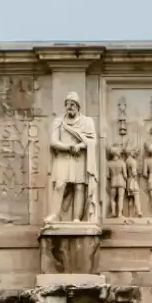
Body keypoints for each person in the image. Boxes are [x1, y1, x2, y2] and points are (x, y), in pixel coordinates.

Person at [45, 92, 98, 223]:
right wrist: (69, 147)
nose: (70, 107)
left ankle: (76, 218)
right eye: (68, 104)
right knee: (59, 185)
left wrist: (79, 146)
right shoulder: (59, 121)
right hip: (63, 157)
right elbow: (53, 142)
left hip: (79, 158)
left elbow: (92, 140)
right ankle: (55, 215)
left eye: (73, 104)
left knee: (79, 187)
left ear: (78, 106)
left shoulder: (86, 122)